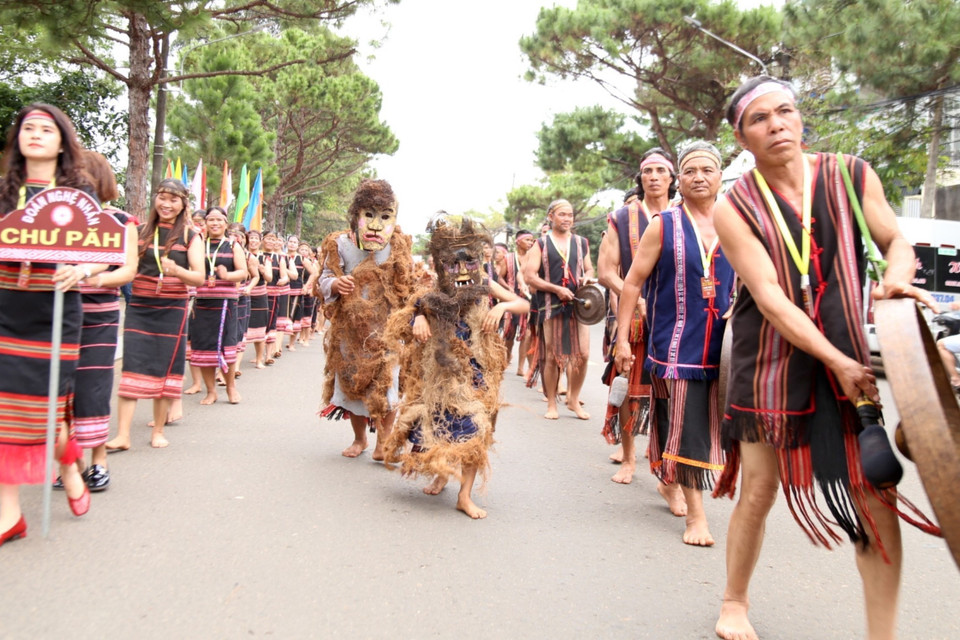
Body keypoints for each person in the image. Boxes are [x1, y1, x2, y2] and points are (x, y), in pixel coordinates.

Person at [711, 76, 939, 640]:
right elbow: (768, 297)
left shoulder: (851, 173)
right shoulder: (732, 206)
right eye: (759, 119)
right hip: (767, 359)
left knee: (873, 494)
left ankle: (880, 635)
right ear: (742, 136)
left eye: (784, 111)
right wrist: (835, 358)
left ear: (800, 117)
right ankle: (733, 601)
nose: (777, 124)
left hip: (847, 354)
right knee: (759, 488)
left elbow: (897, 242)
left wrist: (894, 279)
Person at [615, 141, 734, 547]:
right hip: (674, 349)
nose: (699, 176)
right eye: (690, 170)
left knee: (711, 428)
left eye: (707, 169)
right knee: (687, 430)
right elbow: (631, 283)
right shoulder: (663, 224)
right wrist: (621, 339)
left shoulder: (737, 223)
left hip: (727, 351)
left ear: (720, 177)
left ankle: (667, 474)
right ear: (678, 180)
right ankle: (696, 516)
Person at [383, 215, 529, 518]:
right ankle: (441, 472)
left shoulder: (486, 285)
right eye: (453, 266)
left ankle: (464, 495)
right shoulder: (433, 289)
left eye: (469, 264)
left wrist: (502, 306)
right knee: (439, 428)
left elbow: (523, 303)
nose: (463, 272)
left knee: (476, 430)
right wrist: (419, 317)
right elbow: (410, 311)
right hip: (440, 375)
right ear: (441, 265)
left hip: (477, 373)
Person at [0, 104, 98, 545]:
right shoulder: (3, 191)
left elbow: (100, 252)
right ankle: (9, 516)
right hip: (5, 308)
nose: (35, 135)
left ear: (62, 141)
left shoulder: (79, 194)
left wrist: (81, 268)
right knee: (4, 413)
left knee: (44, 414)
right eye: (28, 128)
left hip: (54, 313)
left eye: (46, 129)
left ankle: (69, 460)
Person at [57, 150, 138, 492]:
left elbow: (128, 268)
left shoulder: (121, 221)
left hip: (98, 316)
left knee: (92, 386)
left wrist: (92, 278)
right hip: (53, 315)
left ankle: (98, 461)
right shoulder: (53, 218)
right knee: (59, 390)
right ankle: (67, 462)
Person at [105, 179, 204, 451]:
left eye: (173, 199)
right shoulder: (138, 232)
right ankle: (123, 435)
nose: (166, 204)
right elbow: (126, 267)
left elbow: (199, 278)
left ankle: (158, 431)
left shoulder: (191, 236)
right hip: (139, 307)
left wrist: (178, 272)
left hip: (172, 310)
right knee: (131, 368)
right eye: (162, 197)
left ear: (184, 204)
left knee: (164, 372)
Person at [318, 179, 413, 460]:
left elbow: (408, 283)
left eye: (384, 216)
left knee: (389, 383)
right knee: (351, 384)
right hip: (350, 331)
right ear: (356, 213)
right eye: (369, 214)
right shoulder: (339, 244)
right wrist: (335, 284)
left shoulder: (399, 245)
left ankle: (384, 442)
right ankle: (359, 439)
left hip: (387, 328)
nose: (375, 224)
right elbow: (324, 278)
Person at [598, 147, 676, 483]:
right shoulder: (622, 217)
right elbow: (605, 271)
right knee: (629, 388)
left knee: (672, 393)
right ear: (640, 177)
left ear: (672, 178)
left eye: (661, 171)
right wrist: (635, 294)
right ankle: (629, 458)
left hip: (677, 318)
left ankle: (667, 466)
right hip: (636, 320)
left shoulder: (686, 212)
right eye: (648, 172)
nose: (654, 177)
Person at [523, 200, 595, 420]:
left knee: (582, 354)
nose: (567, 219)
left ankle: (573, 400)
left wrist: (588, 277)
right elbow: (529, 276)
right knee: (554, 357)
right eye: (562, 214)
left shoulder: (581, 243)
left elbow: (589, 267)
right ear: (551, 216)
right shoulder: (541, 244)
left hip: (579, 305)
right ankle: (552, 404)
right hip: (552, 305)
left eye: (570, 215)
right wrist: (556, 289)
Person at [188, 207, 248, 405]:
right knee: (204, 346)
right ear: (205, 223)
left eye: (219, 220)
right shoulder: (198, 244)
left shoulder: (233, 245)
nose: (214, 223)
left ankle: (231, 387)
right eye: (210, 220)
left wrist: (227, 275)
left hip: (226, 303)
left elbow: (243, 273)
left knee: (227, 346)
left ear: (226, 223)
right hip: (202, 301)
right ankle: (211, 391)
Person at [244, 230, 271, 368]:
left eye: (256, 238)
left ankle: (259, 359)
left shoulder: (265, 258)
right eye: (251, 238)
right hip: (243, 293)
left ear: (260, 241)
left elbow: (269, 278)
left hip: (259, 294)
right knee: (241, 329)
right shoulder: (241, 255)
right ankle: (235, 365)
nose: (253, 241)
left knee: (260, 328)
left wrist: (262, 270)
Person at [511, 230, 536, 377]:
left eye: (532, 240)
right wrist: (520, 284)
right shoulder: (510, 258)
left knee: (532, 335)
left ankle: (532, 368)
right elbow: (519, 273)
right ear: (518, 241)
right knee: (521, 334)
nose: (531, 243)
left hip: (540, 299)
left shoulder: (537, 252)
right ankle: (521, 366)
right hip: (518, 299)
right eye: (527, 240)